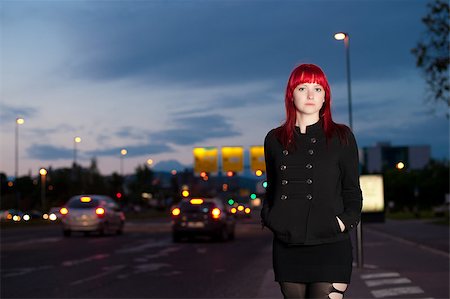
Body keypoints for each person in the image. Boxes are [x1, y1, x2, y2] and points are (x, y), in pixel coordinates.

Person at [260, 64, 363, 299]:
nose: (310, 95)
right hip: (288, 247)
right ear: (290, 94)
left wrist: (342, 222)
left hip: (331, 244)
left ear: (325, 96)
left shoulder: (341, 137)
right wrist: (271, 217)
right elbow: (273, 186)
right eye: (302, 88)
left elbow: (352, 190)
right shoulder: (274, 139)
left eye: (317, 88)